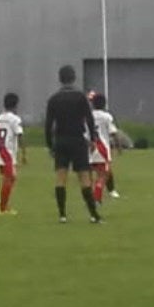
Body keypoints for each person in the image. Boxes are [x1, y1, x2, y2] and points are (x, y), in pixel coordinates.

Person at [44, 65, 102, 224]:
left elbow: (48, 124)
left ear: (60, 78)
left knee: (61, 177)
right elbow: (89, 119)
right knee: (84, 177)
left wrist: (50, 145)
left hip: (61, 140)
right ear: (74, 77)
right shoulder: (80, 97)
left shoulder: (54, 99)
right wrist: (93, 138)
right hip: (77, 139)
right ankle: (93, 215)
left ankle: (62, 215)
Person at [0, 92, 27, 215]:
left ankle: (4, 205)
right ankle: (2, 208)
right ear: (16, 105)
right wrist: (24, 153)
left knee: (9, 178)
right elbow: (20, 135)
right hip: (7, 152)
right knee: (10, 178)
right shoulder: (15, 119)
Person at [87, 91, 119, 204]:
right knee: (103, 175)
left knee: (90, 174)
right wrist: (118, 146)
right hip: (102, 148)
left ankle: (91, 196)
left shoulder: (88, 116)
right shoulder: (106, 117)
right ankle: (97, 197)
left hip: (90, 147)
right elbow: (113, 133)